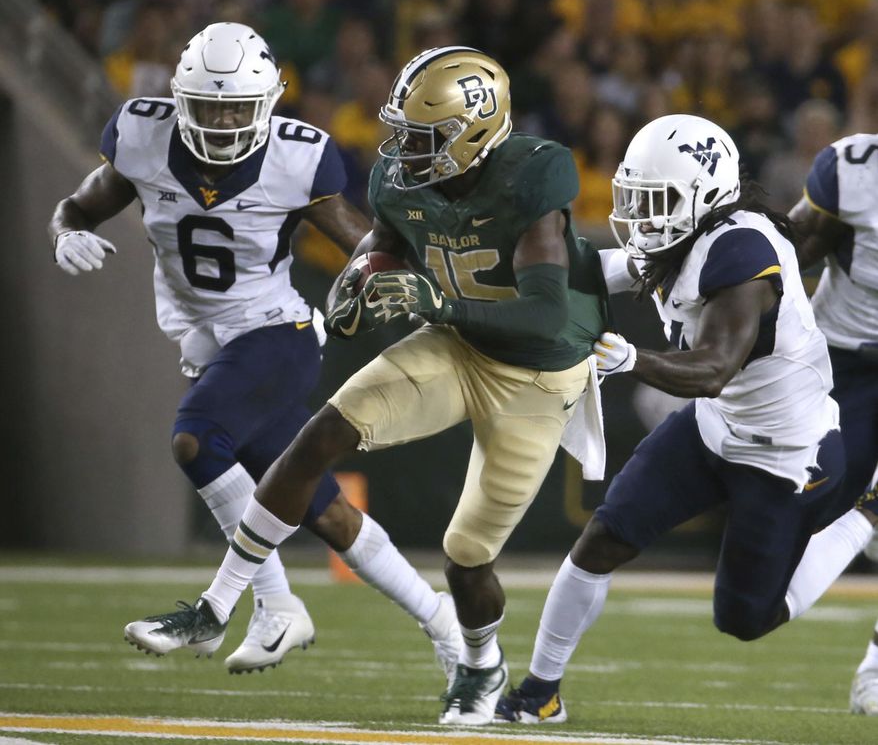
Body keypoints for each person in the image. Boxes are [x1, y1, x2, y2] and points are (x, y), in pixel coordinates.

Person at [122, 45, 611, 725]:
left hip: (536, 372)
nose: (403, 149)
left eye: (423, 137)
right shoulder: (399, 180)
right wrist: (359, 277)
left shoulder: (535, 176)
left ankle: (479, 661)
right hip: (455, 347)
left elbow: (544, 312)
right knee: (317, 437)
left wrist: (433, 302)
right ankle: (218, 604)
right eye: (402, 131)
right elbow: (382, 239)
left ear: (473, 133)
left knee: (466, 562)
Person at [48, 22, 462, 681]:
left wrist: (393, 270)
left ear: (268, 102)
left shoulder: (296, 158)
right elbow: (78, 206)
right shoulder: (141, 136)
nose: (221, 120)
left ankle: (240, 606)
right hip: (210, 348)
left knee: (195, 438)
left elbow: (360, 240)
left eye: (237, 107)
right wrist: (65, 232)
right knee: (324, 510)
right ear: (180, 99)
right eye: (209, 105)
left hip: (275, 332)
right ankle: (445, 625)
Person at [494, 114, 878, 724]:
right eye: (635, 198)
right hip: (713, 428)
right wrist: (514, 275)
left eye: (656, 200)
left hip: (784, 453)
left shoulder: (743, 251)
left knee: (746, 619)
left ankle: (864, 516)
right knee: (603, 537)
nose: (642, 214)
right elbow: (617, 266)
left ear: (702, 194)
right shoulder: (686, 235)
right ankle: (540, 692)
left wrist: (628, 357)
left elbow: (713, 369)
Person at [788, 133, 878, 715]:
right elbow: (780, 253)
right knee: (810, 508)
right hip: (840, 360)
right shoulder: (856, 172)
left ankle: (874, 666)